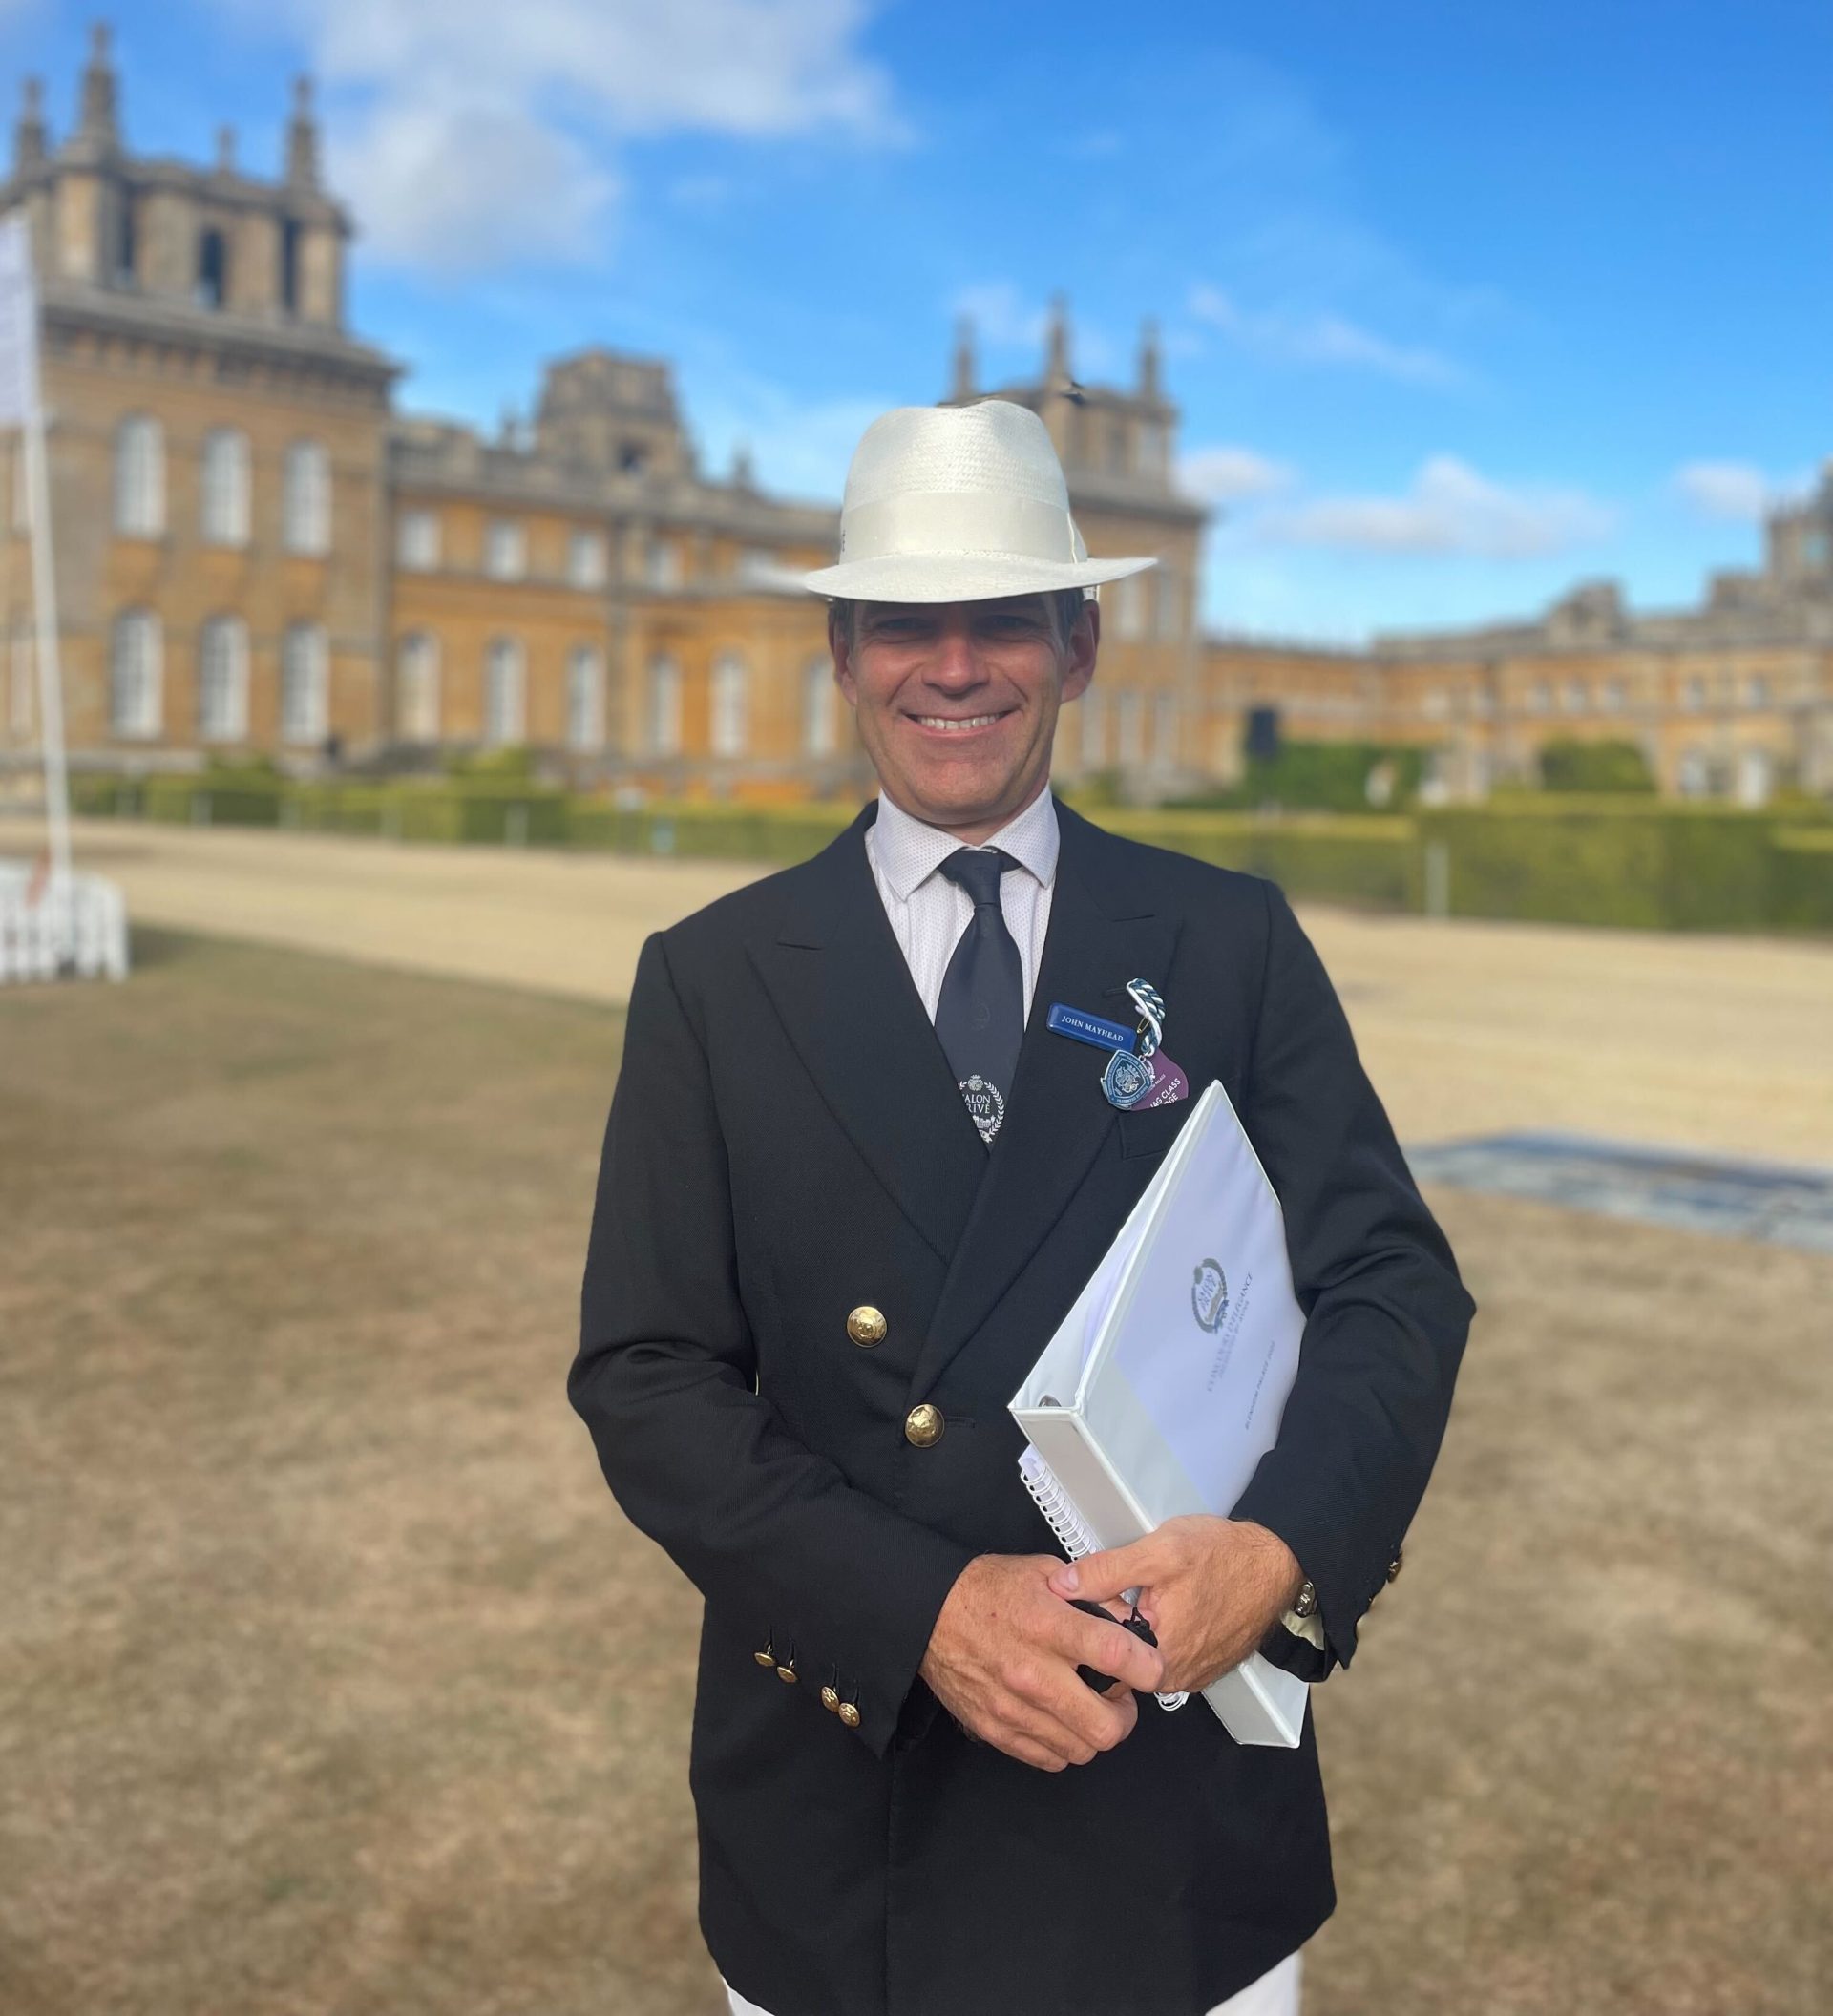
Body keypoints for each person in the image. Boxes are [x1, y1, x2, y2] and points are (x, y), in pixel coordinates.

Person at [570, 399, 1475, 2016]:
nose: (956, 665)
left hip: (1169, 1804)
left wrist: (1280, 1555)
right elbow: (647, 1375)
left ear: (1083, 643)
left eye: (1004, 620)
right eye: (907, 623)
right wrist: (919, 1609)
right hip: (854, 1805)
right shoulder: (708, 978)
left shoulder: (1227, 939)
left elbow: (1394, 1283)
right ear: (842, 655)